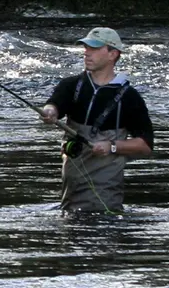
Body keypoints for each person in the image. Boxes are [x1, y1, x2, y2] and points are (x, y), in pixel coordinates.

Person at [37, 27, 153, 214]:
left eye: (94, 48)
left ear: (112, 54)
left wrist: (112, 146)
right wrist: (49, 112)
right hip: (72, 189)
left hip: (106, 193)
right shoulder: (71, 86)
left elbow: (146, 145)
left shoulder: (130, 97)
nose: (86, 53)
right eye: (86, 47)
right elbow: (54, 106)